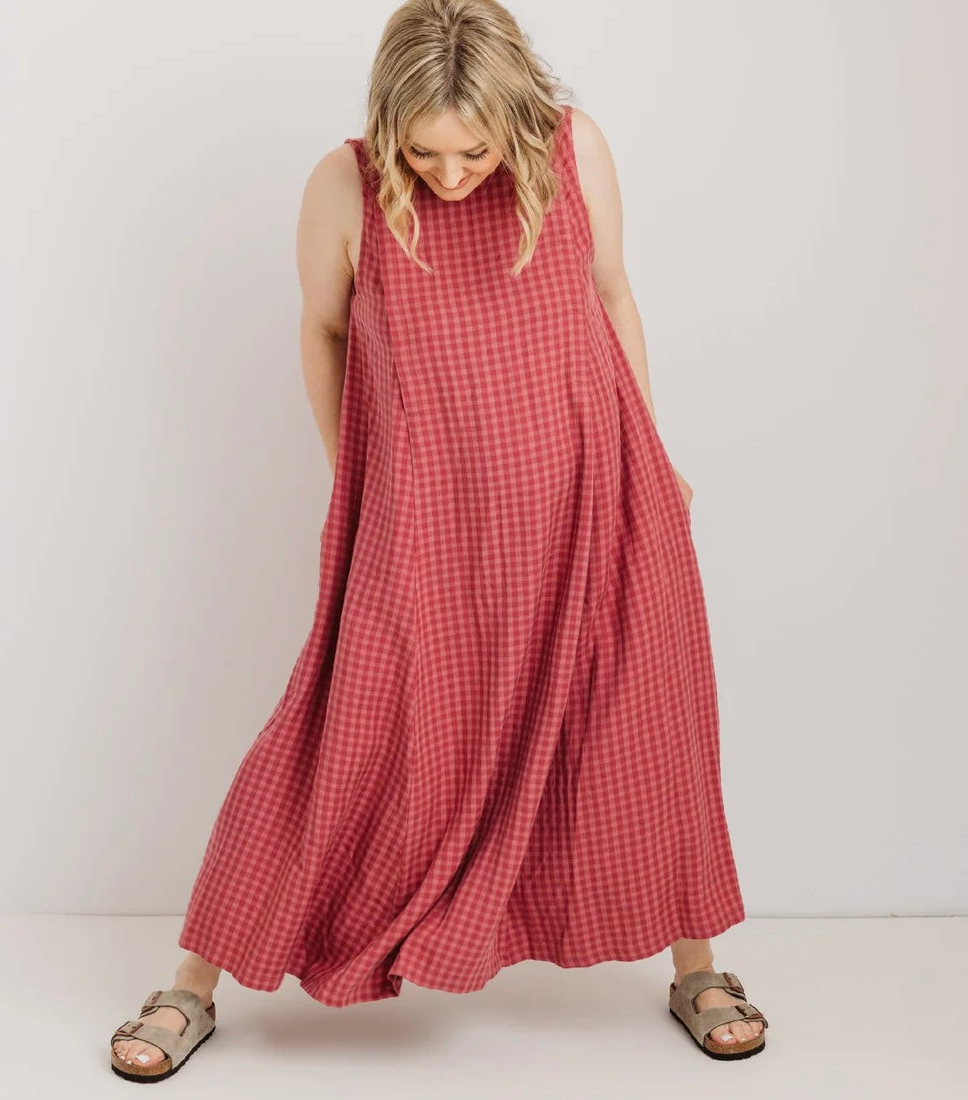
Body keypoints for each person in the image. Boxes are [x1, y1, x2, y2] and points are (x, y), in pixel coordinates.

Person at [110, 0, 769, 1080]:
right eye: (423, 151)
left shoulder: (572, 147)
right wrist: (353, 476)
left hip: (588, 487)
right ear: (386, 127)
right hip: (425, 513)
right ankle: (193, 981)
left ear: (513, 115)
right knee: (338, 731)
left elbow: (608, 292)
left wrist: (651, 448)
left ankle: (697, 965)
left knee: (638, 729)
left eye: (472, 148)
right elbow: (323, 329)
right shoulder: (346, 184)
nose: (450, 173)